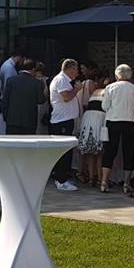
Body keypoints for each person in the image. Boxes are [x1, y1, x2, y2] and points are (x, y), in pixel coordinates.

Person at [100, 64, 134, 194]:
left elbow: (104, 106)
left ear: (117, 75)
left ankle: (104, 181)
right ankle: (126, 183)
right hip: (130, 122)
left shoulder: (110, 87)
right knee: (129, 151)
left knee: (110, 151)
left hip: (113, 121)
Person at [49, 58, 82, 191]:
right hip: (61, 120)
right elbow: (66, 97)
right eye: (76, 69)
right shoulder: (61, 79)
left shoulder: (64, 80)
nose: (77, 72)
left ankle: (63, 177)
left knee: (66, 150)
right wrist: (76, 89)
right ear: (70, 69)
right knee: (63, 151)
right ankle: (60, 180)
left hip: (66, 119)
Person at [1, 58, 46, 135]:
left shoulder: (11, 81)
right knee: (27, 142)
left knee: (12, 141)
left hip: (12, 121)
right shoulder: (37, 83)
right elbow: (41, 100)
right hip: (29, 121)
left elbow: (5, 101)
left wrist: (6, 117)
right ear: (33, 69)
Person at [74, 61, 101, 185]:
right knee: (93, 149)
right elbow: (87, 102)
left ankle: (85, 172)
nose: (82, 71)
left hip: (83, 116)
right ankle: (89, 173)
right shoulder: (89, 83)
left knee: (86, 148)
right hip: (89, 117)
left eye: (83, 68)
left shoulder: (83, 83)